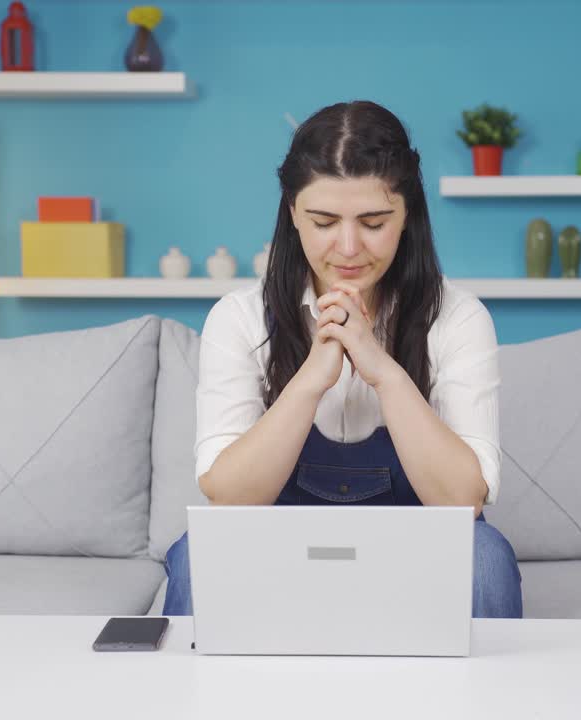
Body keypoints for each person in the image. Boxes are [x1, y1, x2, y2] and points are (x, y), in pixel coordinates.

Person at [163, 100, 522, 618]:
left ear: (407, 217)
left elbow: (464, 501)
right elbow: (230, 499)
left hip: (418, 549)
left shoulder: (459, 318)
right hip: (277, 545)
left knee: (486, 559)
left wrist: (383, 372)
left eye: (374, 222)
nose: (348, 248)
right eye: (324, 221)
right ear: (292, 214)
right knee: (198, 554)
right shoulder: (239, 319)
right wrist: (310, 379)